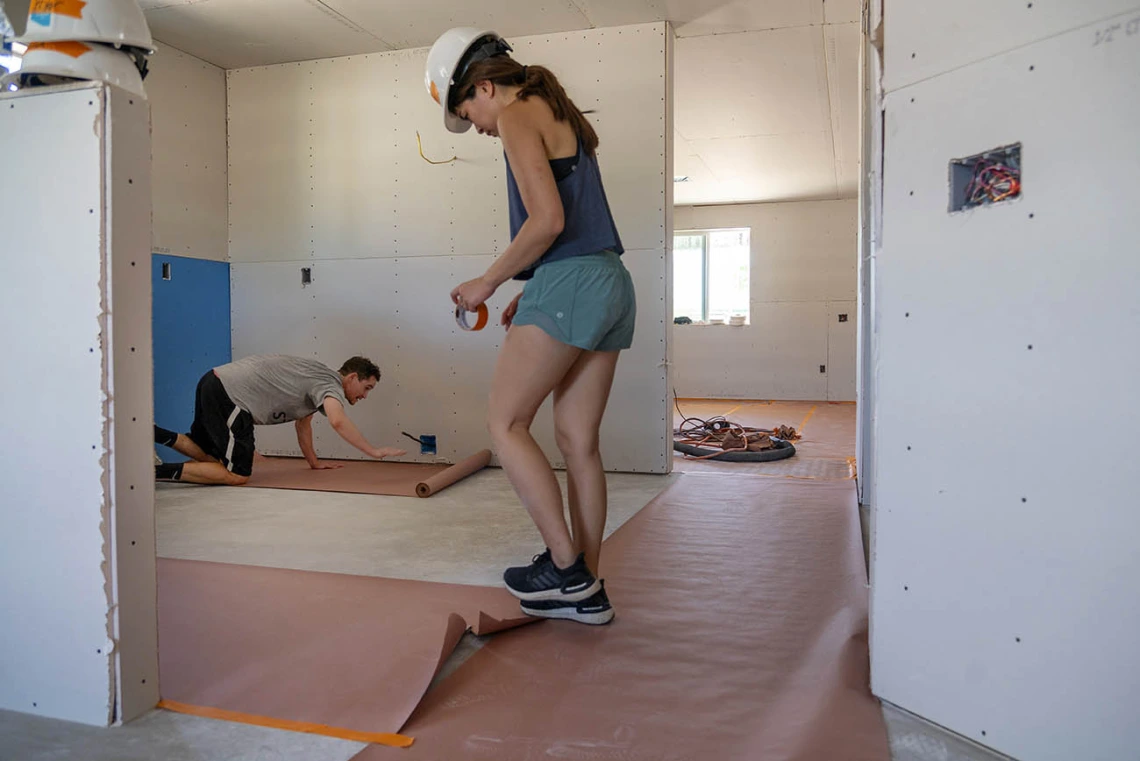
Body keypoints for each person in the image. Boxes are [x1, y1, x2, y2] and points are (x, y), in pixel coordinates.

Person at [425, 29, 636, 625]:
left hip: (571, 282)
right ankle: (587, 587)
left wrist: (488, 282)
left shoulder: (518, 113)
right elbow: (572, 227)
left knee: (505, 423)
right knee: (578, 443)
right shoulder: (555, 108)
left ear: (485, 86)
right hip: (609, 283)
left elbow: (546, 220)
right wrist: (534, 288)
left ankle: (566, 570)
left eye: (470, 112)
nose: (480, 127)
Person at [154, 355, 405, 485]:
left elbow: (302, 423)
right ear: (351, 377)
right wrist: (374, 451)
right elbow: (338, 421)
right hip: (232, 396)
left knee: (208, 455)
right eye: (367, 387)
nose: (365, 396)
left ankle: (152, 433)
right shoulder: (330, 385)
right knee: (238, 475)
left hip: (214, 381)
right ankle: (154, 473)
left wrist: (314, 463)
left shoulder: (317, 376)